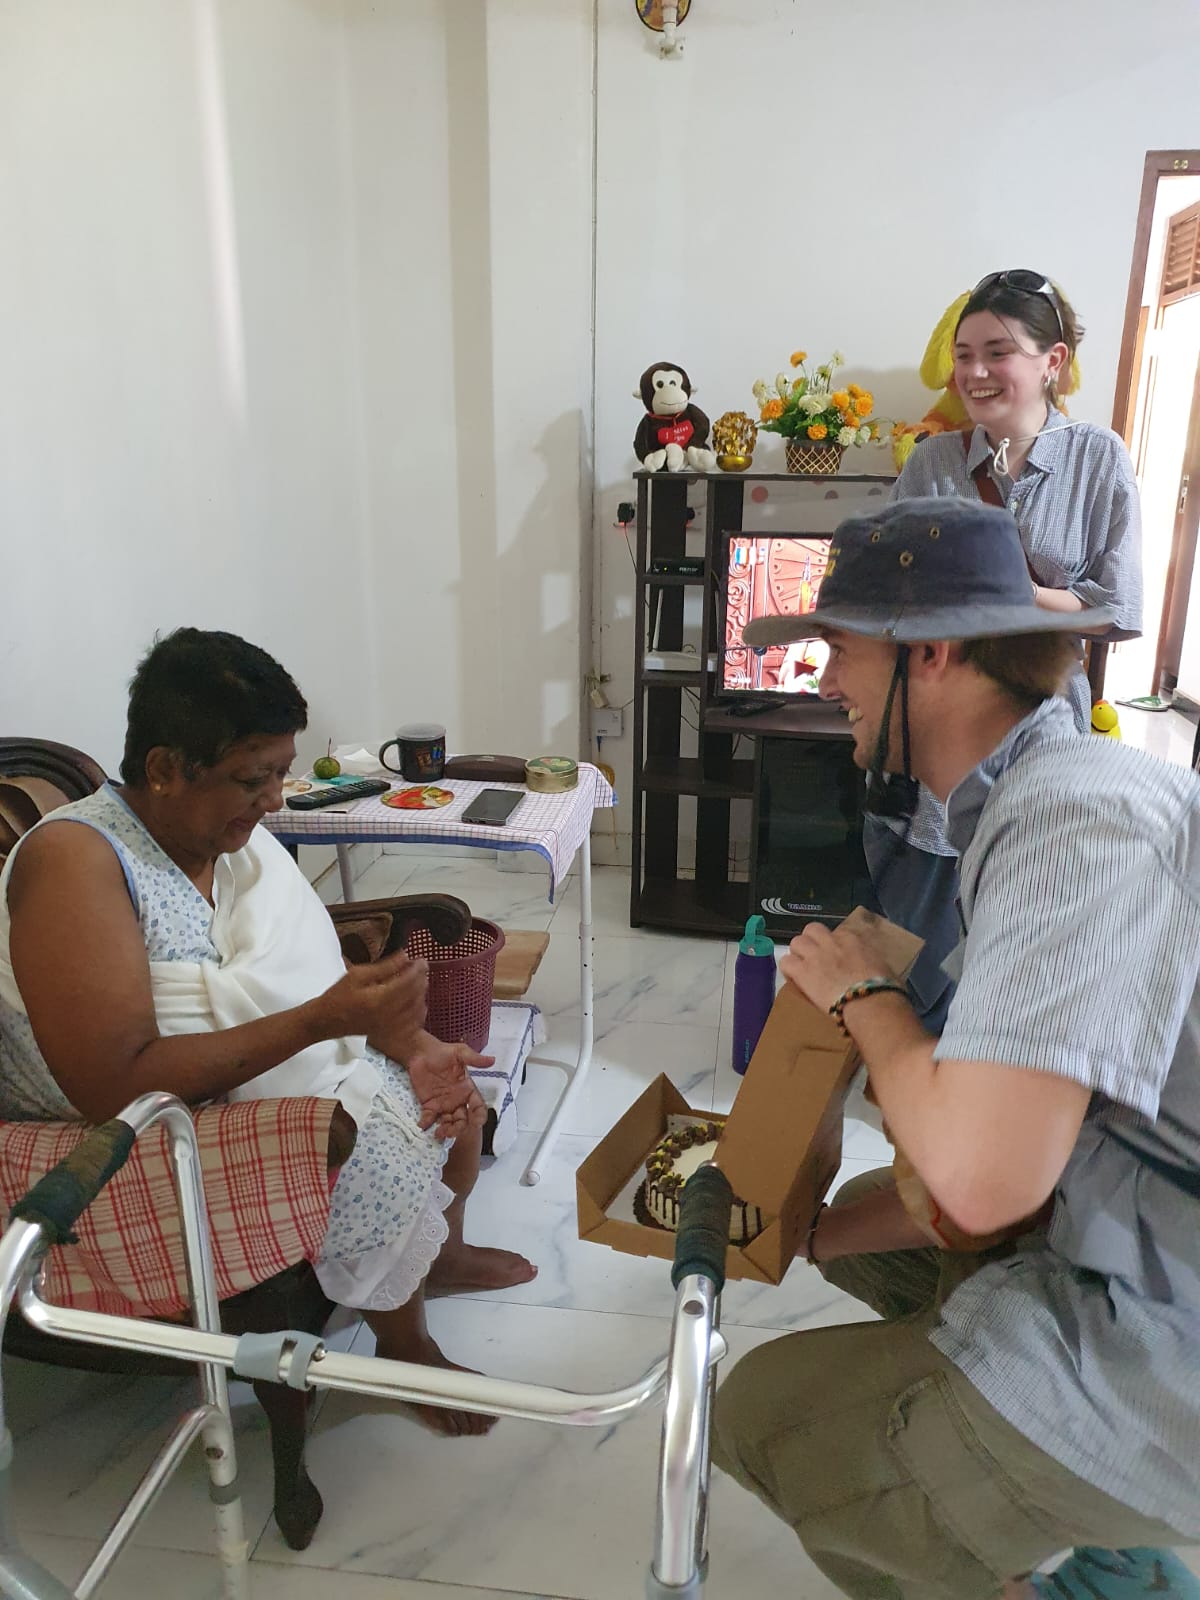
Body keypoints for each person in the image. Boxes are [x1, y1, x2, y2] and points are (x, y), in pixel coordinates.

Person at [713, 498, 1200, 1598]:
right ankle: (1046, 1517)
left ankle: (1041, 1549)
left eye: (840, 650)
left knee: (763, 1418)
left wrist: (868, 999)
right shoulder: (1032, 796)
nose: (825, 682)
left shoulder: (1076, 819)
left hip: (1173, 1327)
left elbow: (983, 1183)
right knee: (875, 1224)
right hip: (1131, 1214)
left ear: (928, 654)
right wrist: (813, 1230)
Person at [0, 628, 536, 1437]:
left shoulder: (223, 841)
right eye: (254, 779)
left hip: (256, 1062)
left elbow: (295, 967)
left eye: (281, 773)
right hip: (123, 1126)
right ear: (165, 769)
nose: (277, 800)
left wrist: (413, 1043)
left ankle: (439, 1255)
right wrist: (326, 1022)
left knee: (452, 1097)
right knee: (370, 1145)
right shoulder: (77, 862)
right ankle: (405, 1345)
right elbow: (114, 1083)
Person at [870, 271, 1144, 1029]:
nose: (976, 372)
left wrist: (1012, 592)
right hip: (939, 734)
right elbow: (887, 588)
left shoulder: (1097, 458)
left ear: (1052, 361)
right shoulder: (932, 462)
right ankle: (919, 1076)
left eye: (998, 352)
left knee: (1026, 939)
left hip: (1041, 734)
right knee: (927, 946)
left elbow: (1120, 608)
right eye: (964, 355)